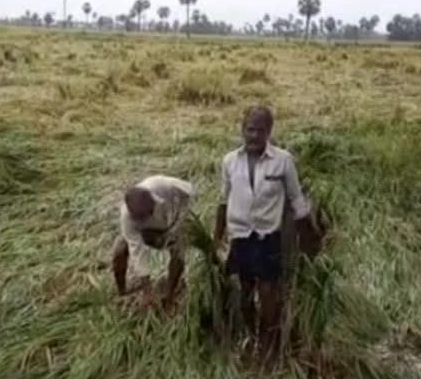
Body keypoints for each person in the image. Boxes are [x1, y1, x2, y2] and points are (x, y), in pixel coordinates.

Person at [214, 106, 320, 358]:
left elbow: (297, 201)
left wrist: (311, 236)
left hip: (267, 236)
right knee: (245, 291)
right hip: (240, 236)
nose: (253, 136)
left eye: (260, 131)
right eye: (249, 129)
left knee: (268, 293)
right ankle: (250, 335)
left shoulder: (283, 160)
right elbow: (222, 200)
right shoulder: (230, 161)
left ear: (269, 132)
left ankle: (268, 344)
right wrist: (216, 238)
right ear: (242, 129)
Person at [111, 175, 194, 313]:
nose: (145, 219)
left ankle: (169, 297)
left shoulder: (165, 185)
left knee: (178, 253)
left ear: (153, 200)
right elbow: (138, 253)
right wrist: (147, 292)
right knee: (120, 250)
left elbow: (190, 191)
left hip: (172, 221)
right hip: (147, 232)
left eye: (147, 214)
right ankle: (122, 292)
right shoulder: (127, 218)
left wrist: (182, 218)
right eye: (141, 218)